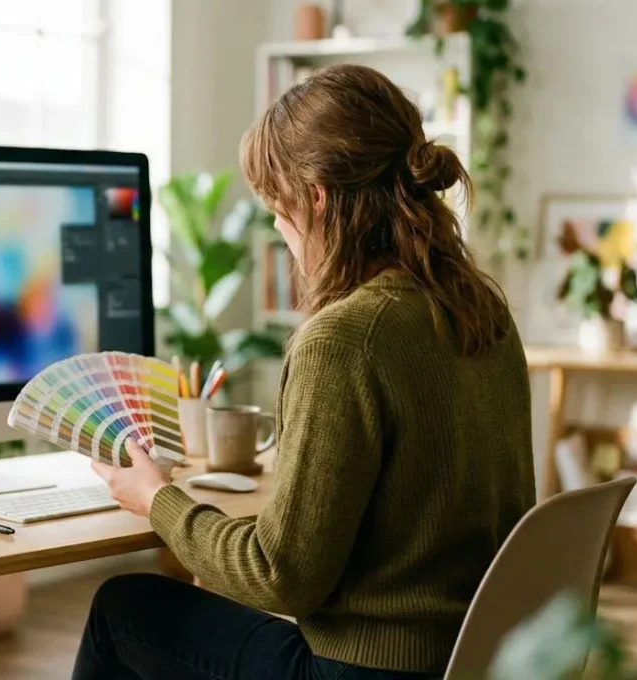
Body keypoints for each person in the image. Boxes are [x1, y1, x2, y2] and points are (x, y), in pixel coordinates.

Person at [76, 63, 535, 680]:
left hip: (369, 670)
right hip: (483, 660)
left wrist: (159, 499)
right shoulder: (480, 308)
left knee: (122, 610)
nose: (276, 224)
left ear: (316, 196)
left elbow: (280, 576)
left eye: (276, 204)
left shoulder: (345, 338)